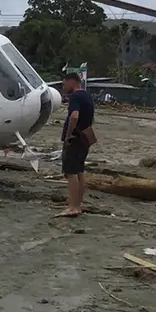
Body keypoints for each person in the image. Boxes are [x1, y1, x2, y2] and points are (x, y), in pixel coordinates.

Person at [57, 72, 95, 218]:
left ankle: (72, 207)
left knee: (71, 173)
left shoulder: (75, 97)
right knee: (79, 172)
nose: (64, 87)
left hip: (75, 139)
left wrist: (68, 135)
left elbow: (74, 116)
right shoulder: (87, 96)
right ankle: (77, 205)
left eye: (64, 84)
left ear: (72, 82)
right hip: (84, 139)